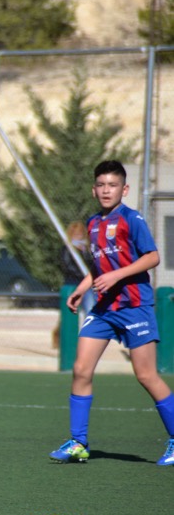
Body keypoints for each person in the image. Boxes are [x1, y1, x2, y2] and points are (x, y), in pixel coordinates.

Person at [50, 160, 174, 465]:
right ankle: (78, 442)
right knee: (81, 369)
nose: (107, 190)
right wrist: (82, 287)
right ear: (94, 190)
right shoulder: (93, 223)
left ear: (124, 189)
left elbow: (153, 257)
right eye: (102, 185)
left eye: (113, 185)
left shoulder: (132, 219)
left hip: (134, 307)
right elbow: (99, 267)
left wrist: (117, 277)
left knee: (145, 375)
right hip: (105, 309)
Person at [52, 221, 96, 348]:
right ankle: (61, 338)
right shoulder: (67, 249)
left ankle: (89, 340)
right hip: (73, 283)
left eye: (81, 233)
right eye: (76, 233)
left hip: (87, 286)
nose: (79, 236)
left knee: (90, 310)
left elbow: (92, 264)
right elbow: (67, 266)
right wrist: (81, 274)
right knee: (69, 314)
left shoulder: (87, 249)